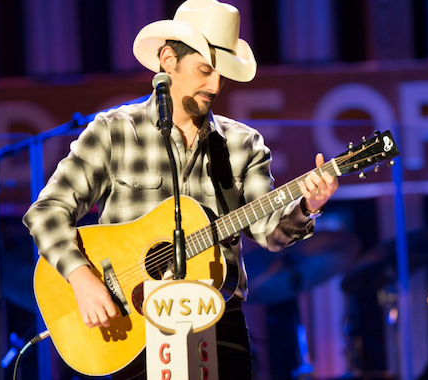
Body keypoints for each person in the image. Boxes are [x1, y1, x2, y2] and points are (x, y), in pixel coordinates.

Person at [23, 0, 339, 379]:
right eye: (204, 71)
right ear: (168, 60)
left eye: (220, 74)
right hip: (132, 326)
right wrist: (81, 277)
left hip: (218, 323)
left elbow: (270, 233)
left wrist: (307, 205)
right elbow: (47, 211)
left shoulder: (242, 144)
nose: (215, 85)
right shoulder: (114, 131)